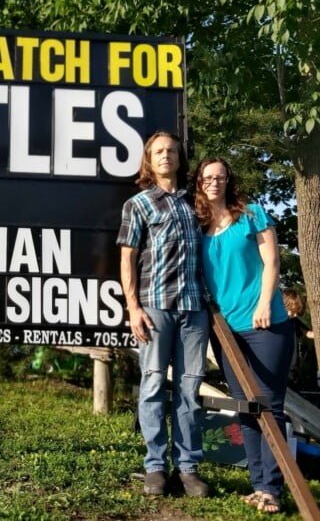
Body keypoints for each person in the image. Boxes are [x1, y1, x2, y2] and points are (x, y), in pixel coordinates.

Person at [193, 156, 294, 514]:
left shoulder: (252, 215)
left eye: (220, 177)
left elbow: (272, 262)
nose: (214, 182)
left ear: (228, 181)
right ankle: (258, 484)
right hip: (226, 331)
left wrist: (265, 303)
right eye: (208, 177)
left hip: (265, 323)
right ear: (199, 182)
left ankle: (273, 489)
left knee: (269, 404)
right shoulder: (199, 226)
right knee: (245, 407)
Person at [116, 131, 210, 498]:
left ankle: (188, 469)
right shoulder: (138, 204)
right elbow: (127, 258)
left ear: (180, 158)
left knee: (190, 389)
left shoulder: (196, 203)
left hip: (194, 308)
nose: (166, 156)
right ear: (149, 160)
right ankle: (155, 466)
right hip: (154, 306)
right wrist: (133, 308)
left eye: (171, 150)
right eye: (158, 152)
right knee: (153, 385)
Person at [283, 288, 320, 407]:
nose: (295, 315)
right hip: (283, 368)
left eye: (297, 311)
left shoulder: (295, 322)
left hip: (294, 369)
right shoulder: (277, 322)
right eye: (292, 311)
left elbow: (308, 333)